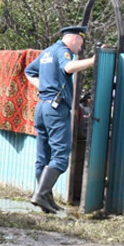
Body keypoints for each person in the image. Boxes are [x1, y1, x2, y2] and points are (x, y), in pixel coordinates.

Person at [24, 25, 95, 213]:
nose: (81, 46)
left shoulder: (48, 51)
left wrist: (43, 87)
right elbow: (69, 68)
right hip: (55, 110)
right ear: (73, 38)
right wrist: (93, 60)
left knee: (43, 156)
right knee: (61, 154)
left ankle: (45, 199)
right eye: (81, 41)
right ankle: (41, 195)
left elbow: (29, 71)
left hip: (42, 106)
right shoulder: (63, 52)